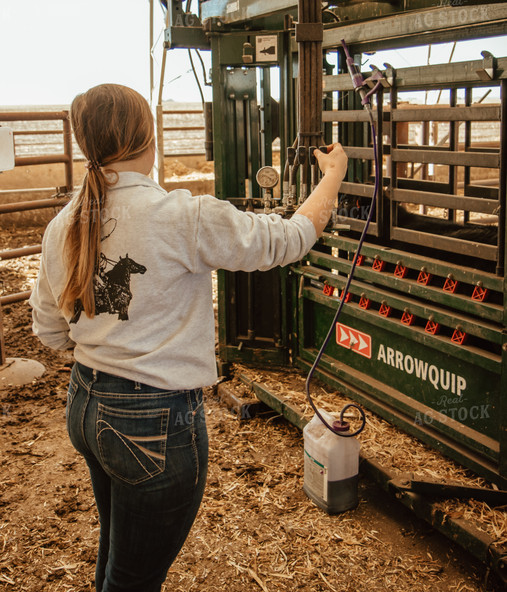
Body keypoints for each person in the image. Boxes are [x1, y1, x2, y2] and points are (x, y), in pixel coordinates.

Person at [29, 83, 348, 592]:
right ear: (149, 136)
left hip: (85, 404)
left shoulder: (63, 223)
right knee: (134, 578)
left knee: (117, 553)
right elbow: (288, 239)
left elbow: (49, 330)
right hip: (152, 421)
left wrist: (107, 342)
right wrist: (333, 177)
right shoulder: (185, 215)